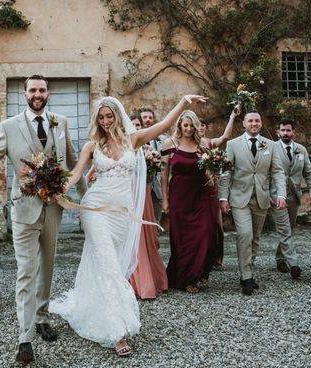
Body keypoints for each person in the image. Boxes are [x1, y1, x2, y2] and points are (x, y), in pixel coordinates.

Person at [0, 75, 85, 364]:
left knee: (48, 264)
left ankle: (43, 315)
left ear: (48, 93)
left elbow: (71, 160)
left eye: (42, 89)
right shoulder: (9, 127)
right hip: (23, 210)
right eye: (32, 90)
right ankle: (25, 338)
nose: (37, 94)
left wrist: (88, 196)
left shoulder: (61, 121)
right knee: (25, 271)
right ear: (24, 93)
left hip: (53, 207)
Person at [52, 94, 206, 357]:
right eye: (101, 118)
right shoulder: (92, 146)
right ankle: (118, 333)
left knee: (109, 266)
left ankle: (94, 307)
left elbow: (164, 125)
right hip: (96, 210)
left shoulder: (133, 140)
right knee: (109, 264)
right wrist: (53, 188)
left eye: (109, 116)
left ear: (118, 116)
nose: (106, 121)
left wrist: (181, 101)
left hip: (122, 214)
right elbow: (76, 174)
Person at [218, 111, 286, 296]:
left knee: (255, 238)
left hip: (262, 197)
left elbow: (278, 171)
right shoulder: (232, 145)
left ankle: (248, 271)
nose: (254, 123)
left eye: (257, 120)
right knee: (245, 234)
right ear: (244, 124)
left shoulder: (270, 145)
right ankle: (246, 276)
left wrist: (281, 194)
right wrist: (223, 198)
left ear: (261, 123)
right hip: (239, 197)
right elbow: (226, 173)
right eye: (250, 120)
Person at [161, 110, 218, 293]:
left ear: (195, 126)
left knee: (206, 232)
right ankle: (186, 279)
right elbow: (164, 173)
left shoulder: (203, 144)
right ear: (179, 125)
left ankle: (197, 272)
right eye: (184, 125)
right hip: (178, 195)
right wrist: (165, 199)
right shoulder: (170, 144)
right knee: (181, 239)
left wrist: (215, 171)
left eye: (191, 125)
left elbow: (211, 169)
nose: (188, 128)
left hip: (200, 194)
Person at [270, 119, 311, 279]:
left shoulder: (301, 150)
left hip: (294, 196)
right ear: (278, 132)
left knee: (288, 230)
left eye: (288, 130)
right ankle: (294, 264)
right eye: (282, 130)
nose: (285, 133)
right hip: (276, 196)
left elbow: (309, 172)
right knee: (285, 230)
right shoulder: (271, 148)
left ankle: (279, 258)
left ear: (293, 132)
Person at [128, 111, 168, 300]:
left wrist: (151, 162)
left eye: (138, 125)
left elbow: (158, 170)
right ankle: (133, 278)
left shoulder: (148, 148)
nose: (136, 128)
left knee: (149, 237)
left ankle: (151, 275)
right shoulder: (124, 146)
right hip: (128, 195)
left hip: (145, 195)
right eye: (133, 124)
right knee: (132, 236)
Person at [198, 106, 240, 268]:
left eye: (203, 125)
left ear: (206, 128)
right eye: (198, 125)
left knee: (216, 222)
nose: (200, 128)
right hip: (194, 186)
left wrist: (232, 116)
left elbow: (226, 136)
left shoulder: (209, 143)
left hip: (211, 185)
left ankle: (216, 257)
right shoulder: (186, 143)